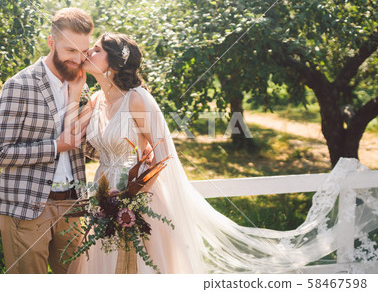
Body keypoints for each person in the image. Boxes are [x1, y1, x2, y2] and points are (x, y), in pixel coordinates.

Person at [67, 32, 378, 274]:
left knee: (142, 266)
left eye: (95, 48)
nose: (87, 52)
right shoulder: (95, 101)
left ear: (114, 61)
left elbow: (163, 154)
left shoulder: (137, 100)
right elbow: (73, 137)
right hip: (103, 192)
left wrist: (131, 197)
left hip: (138, 198)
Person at [0, 8, 94, 274]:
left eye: (83, 51)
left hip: (72, 205)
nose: (78, 59)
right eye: (70, 50)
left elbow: (87, 149)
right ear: (51, 43)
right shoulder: (19, 85)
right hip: (27, 207)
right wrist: (57, 146)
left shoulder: (82, 86)